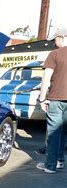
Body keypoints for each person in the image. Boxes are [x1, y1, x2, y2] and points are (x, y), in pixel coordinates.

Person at [36, 28, 67, 174]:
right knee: (64, 132)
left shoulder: (54, 54)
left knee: (54, 133)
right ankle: (60, 161)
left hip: (56, 99)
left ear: (61, 38)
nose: (54, 43)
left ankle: (50, 166)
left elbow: (46, 79)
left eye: (55, 39)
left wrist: (42, 98)